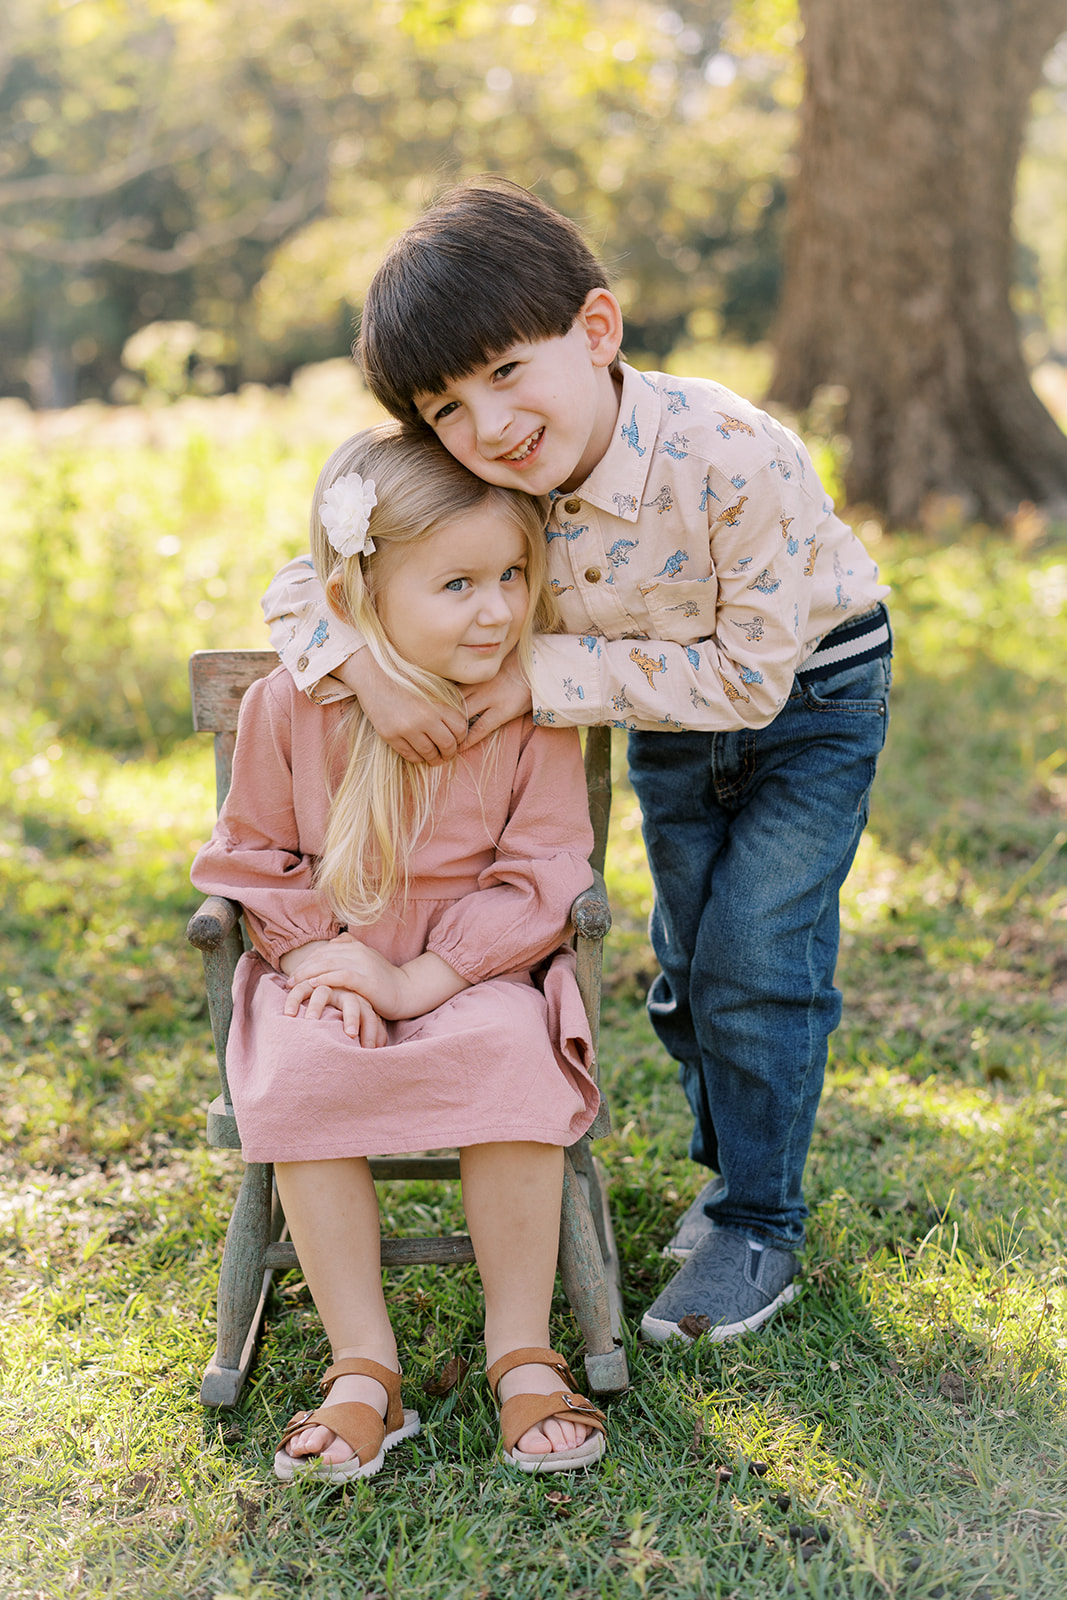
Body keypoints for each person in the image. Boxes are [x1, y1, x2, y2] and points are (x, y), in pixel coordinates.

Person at [263, 179, 892, 1347]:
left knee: (756, 954)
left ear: (594, 332)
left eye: (505, 371)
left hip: (807, 697)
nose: (486, 424)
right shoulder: (502, 471)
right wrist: (366, 670)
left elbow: (748, 681)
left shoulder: (729, 454)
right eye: (445, 406)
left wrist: (539, 679)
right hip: (659, 713)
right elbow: (312, 576)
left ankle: (760, 1217)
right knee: (687, 959)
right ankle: (725, 1174)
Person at [193, 422, 608, 1481]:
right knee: (302, 1066)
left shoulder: (526, 712)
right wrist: (322, 965)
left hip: (479, 967)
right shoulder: (289, 706)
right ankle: (362, 1365)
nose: (500, 608)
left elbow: (544, 873)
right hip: (328, 966)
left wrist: (421, 976)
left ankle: (520, 1343)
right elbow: (252, 858)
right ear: (357, 599)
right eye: (459, 583)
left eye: (513, 574)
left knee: (512, 1049)